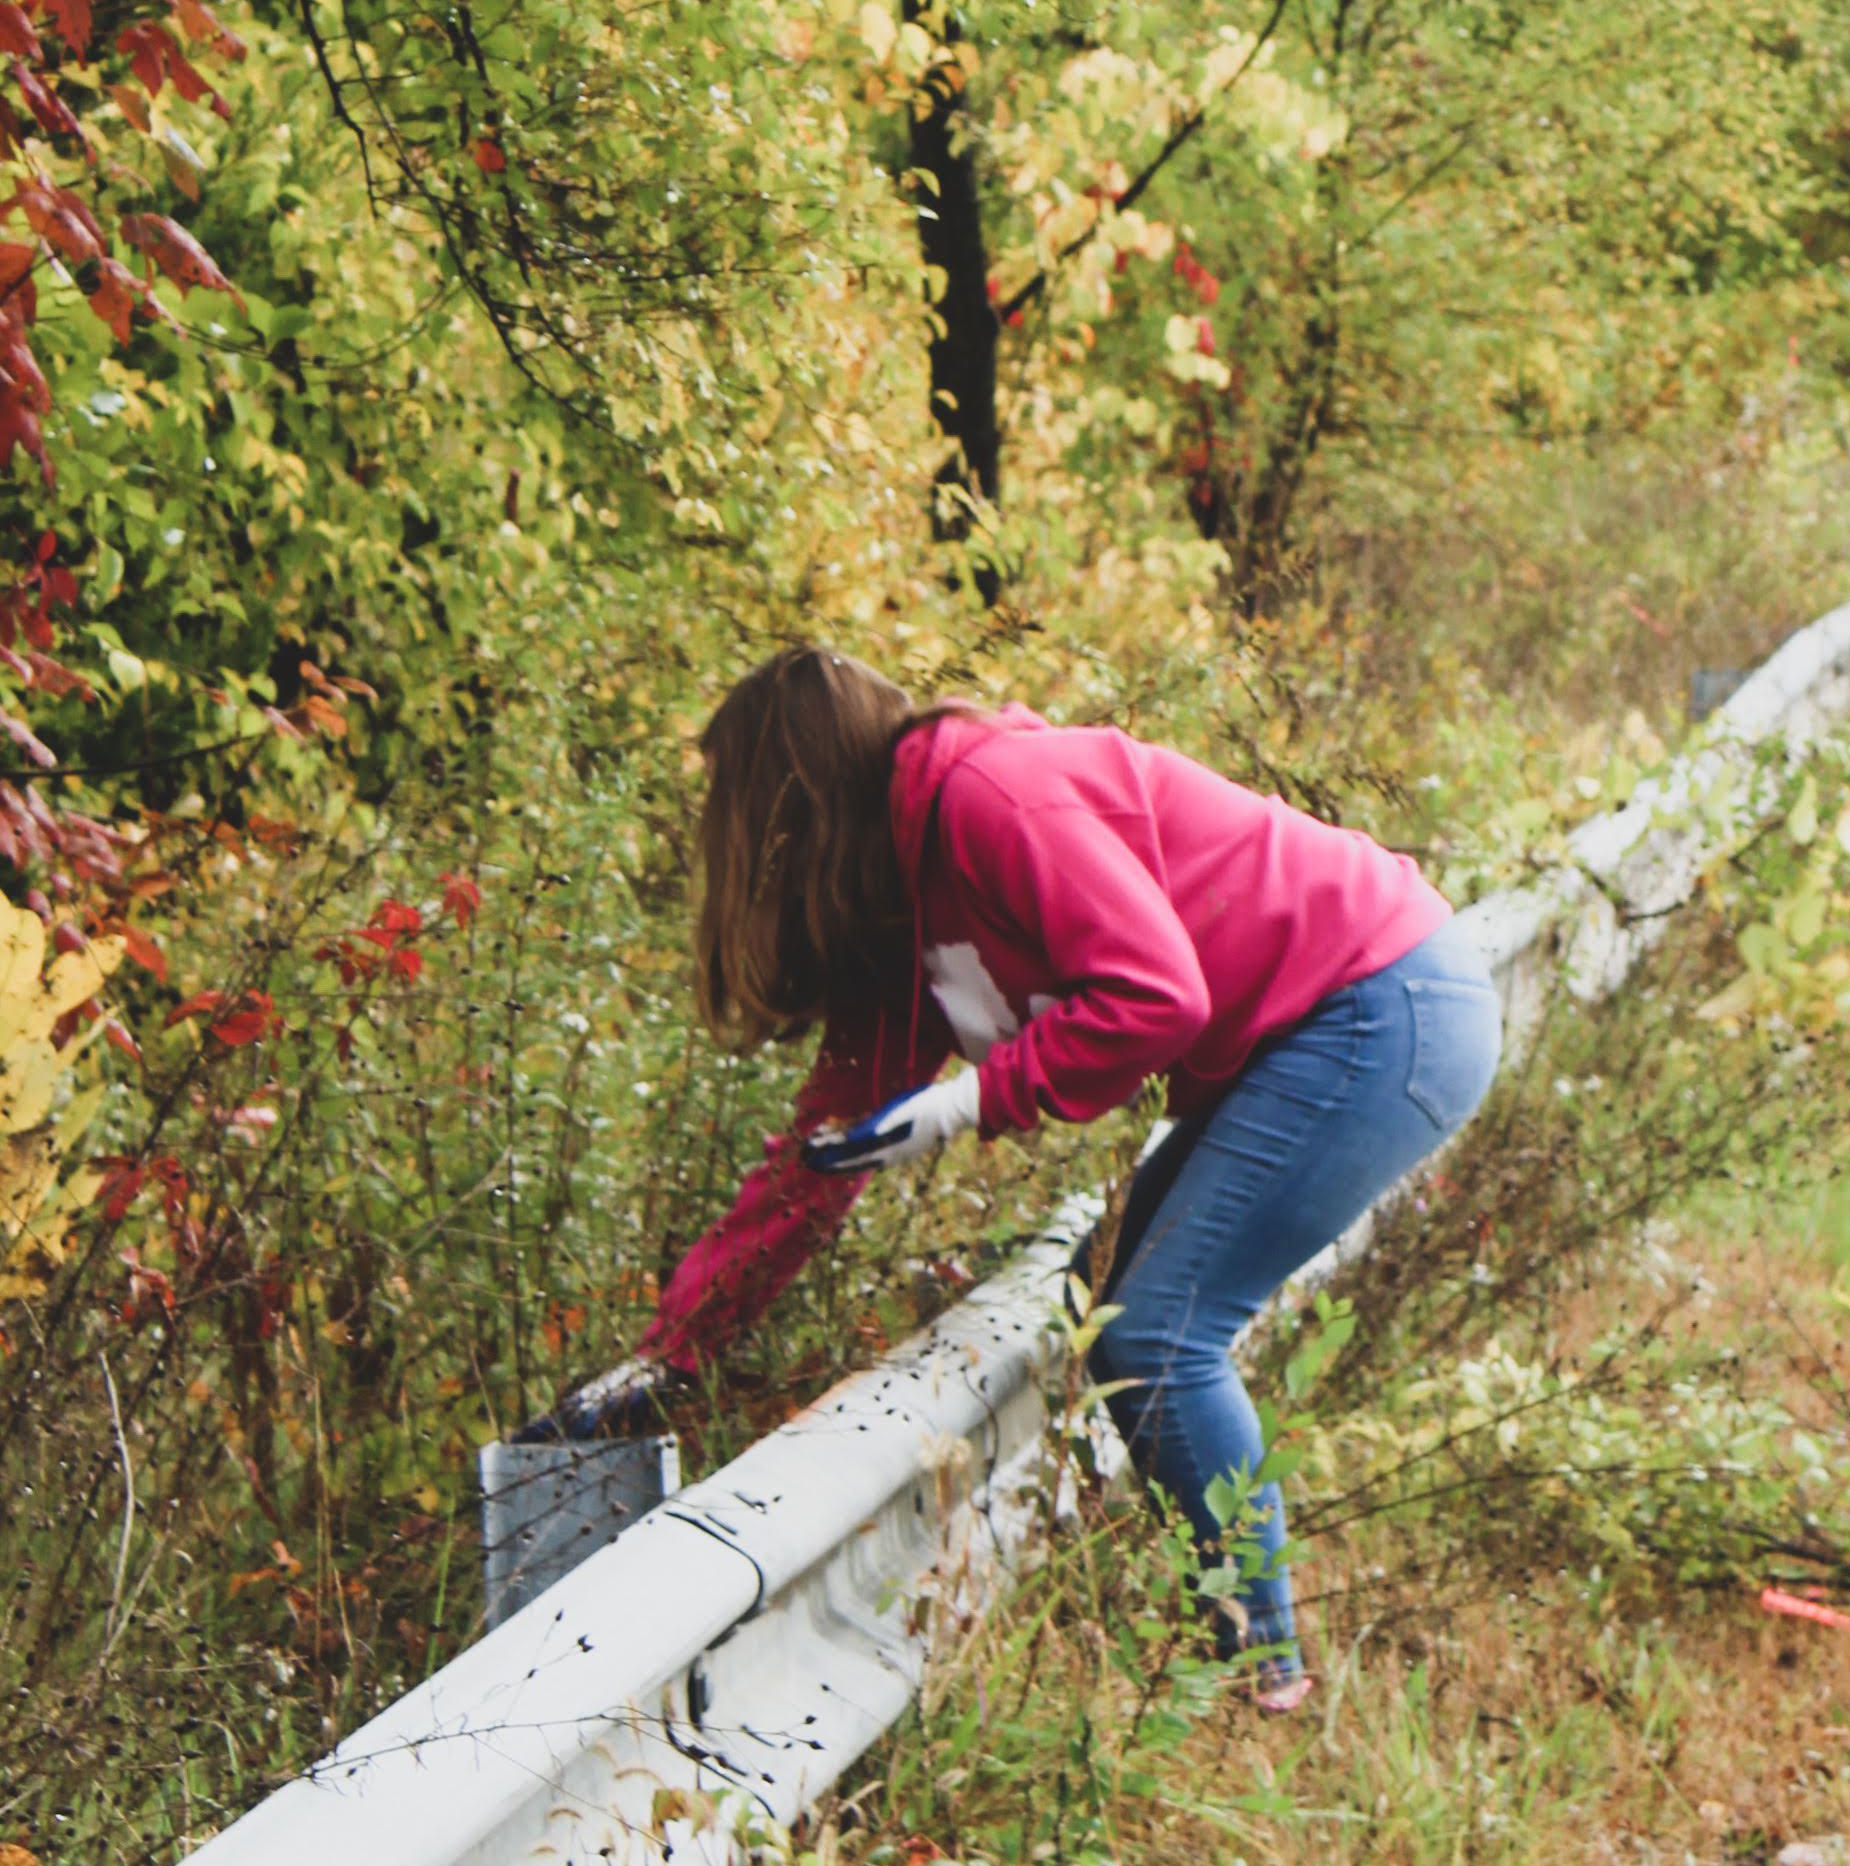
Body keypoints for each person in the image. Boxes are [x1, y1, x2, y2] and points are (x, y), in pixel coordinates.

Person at [551, 651, 1500, 1704]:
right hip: (1327, 1022)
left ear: (795, 805)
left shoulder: (990, 796)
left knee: (1157, 1329)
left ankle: (1257, 1662)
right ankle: (1244, 1646)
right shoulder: (900, 913)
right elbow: (817, 1161)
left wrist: (968, 1101)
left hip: (1383, 1001)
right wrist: (669, 1354)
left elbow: (1156, 996)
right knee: (1109, 1297)